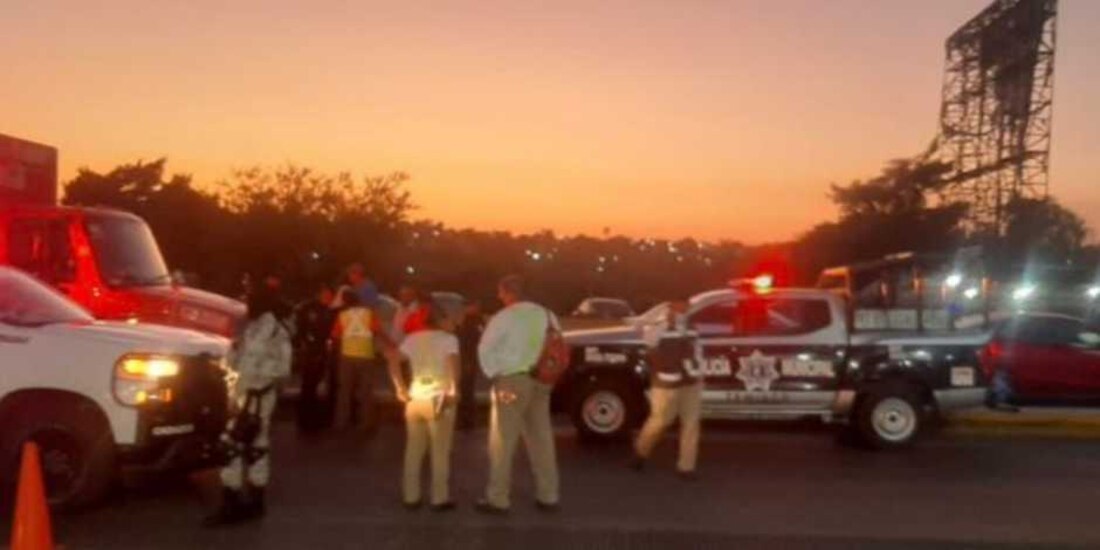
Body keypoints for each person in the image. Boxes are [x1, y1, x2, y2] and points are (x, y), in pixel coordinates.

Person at [204, 287, 293, 527]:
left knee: (239, 448)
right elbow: (236, 359)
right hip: (242, 396)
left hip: (256, 398)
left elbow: (283, 369)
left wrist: (255, 381)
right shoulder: (250, 328)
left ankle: (237, 503)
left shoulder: (276, 332)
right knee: (252, 447)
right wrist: (222, 363)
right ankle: (250, 502)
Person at [476, 275, 560, 515]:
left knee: (503, 440)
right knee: (541, 438)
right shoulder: (547, 314)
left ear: (508, 292)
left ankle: (498, 498)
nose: (499, 297)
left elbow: (485, 348)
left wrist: (494, 373)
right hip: (542, 381)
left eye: (501, 293)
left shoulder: (504, 317)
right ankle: (548, 494)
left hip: (512, 381)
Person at [386, 307, 461, 511]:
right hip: (439, 398)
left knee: (413, 450)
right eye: (449, 318)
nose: (453, 323)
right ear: (441, 321)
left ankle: (411, 496)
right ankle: (439, 498)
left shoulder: (412, 339)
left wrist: (400, 388)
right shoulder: (449, 340)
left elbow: (392, 359)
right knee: (440, 451)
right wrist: (454, 391)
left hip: (415, 397)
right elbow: (453, 365)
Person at [631, 297, 704, 480]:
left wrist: (698, 371)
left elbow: (698, 349)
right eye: (682, 304)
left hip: (690, 381)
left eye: (687, 304)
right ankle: (641, 451)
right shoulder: (658, 323)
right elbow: (648, 344)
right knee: (660, 421)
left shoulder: (690, 325)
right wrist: (666, 324)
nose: (686, 307)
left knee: (691, 424)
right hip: (666, 383)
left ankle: (686, 467)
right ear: (672, 304)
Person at [331, 288, 391, 433]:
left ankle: (341, 423)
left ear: (345, 301)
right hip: (366, 355)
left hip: (347, 356)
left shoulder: (342, 315)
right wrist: (391, 344)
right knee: (366, 391)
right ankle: (367, 423)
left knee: (344, 391)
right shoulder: (369, 314)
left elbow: (335, 335)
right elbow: (379, 332)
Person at [294, 283, 337, 432]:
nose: (328, 298)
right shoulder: (308, 308)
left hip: (322, 350)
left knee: (315, 383)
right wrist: (305, 344)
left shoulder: (329, 310)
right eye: (325, 295)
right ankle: (306, 418)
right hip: (311, 350)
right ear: (319, 294)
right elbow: (301, 329)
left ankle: (312, 416)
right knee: (308, 384)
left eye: (330, 296)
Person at [457, 299, 487, 430]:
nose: (466, 309)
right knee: (465, 390)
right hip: (465, 358)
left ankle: (467, 421)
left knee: (467, 391)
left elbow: (473, 340)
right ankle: (465, 420)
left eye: (468, 306)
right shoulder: (470, 320)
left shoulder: (475, 321)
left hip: (468, 359)